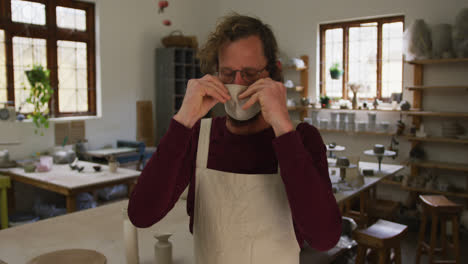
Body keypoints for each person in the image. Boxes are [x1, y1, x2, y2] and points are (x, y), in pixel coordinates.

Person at [128, 13, 341, 263]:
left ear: (273, 73)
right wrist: (184, 120)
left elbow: (324, 237)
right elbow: (141, 215)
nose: (238, 85)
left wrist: (283, 128)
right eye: (228, 74)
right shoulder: (200, 137)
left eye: (250, 74)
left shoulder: (301, 139)